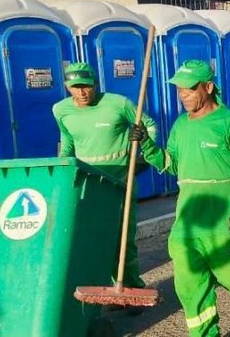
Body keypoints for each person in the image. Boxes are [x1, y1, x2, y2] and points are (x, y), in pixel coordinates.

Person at [135, 59, 230, 334]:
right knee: (190, 287)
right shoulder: (180, 126)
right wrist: (147, 145)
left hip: (223, 221)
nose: (183, 94)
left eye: (190, 88)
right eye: (179, 89)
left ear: (208, 87)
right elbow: (171, 164)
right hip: (187, 224)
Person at [53, 62, 163, 297]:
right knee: (94, 238)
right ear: (67, 86)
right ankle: (104, 287)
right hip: (89, 185)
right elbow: (68, 141)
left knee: (123, 240)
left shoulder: (118, 104)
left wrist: (143, 154)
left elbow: (150, 126)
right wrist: (64, 167)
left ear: (96, 83)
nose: (82, 92)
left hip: (120, 183)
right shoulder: (60, 110)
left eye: (87, 86)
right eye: (76, 87)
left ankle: (131, 287)